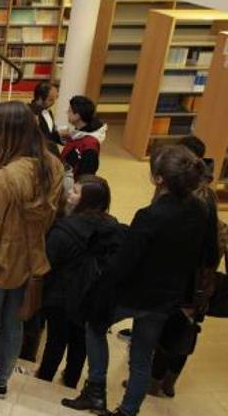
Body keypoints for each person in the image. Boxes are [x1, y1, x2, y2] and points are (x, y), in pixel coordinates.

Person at [63, 145, 217, 416]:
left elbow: (124, 263)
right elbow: (208, 254)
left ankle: (95, 391)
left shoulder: (150, 216)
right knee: (142, 356)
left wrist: (99, 290)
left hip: (134, 293)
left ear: (160, 179)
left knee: (94, 326)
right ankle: (128, 410)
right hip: (167, 297)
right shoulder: (201, 210)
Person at [0, 101, 64, 398]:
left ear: (6, 133)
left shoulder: (2, 178)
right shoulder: (52, 166)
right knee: (14, 325)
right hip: (31, 259)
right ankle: (1, 379)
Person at [146, 135, 222, 398]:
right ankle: (166, 382)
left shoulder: (194, 197)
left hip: (187, 277)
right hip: (196, 277)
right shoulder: (203, 193)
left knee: (173, 328)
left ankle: (158, 381)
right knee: (184, 328)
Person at [36, 176, 124, 390]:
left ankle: (43, 383)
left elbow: (47, 261)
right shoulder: (112, 228)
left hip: (60, 296)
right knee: (80, 345)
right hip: (92, 297)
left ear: (87, 200)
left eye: (75, 192)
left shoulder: (64, 229)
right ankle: (69, 384)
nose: (69, 194)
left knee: (55, 342)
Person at [60, 95, 106, 179]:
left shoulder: (90, 146)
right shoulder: (78, 132)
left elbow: (86, 176)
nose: (67, 113)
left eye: (69, 111)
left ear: (77, 116)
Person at [30, 82, 61, 146]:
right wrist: (58, 134)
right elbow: (34, 137)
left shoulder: (48, 112)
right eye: (51, 99)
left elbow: (50, 132)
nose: (54, 102)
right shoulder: (29, 112)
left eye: (55, 98)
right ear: (40, 98)